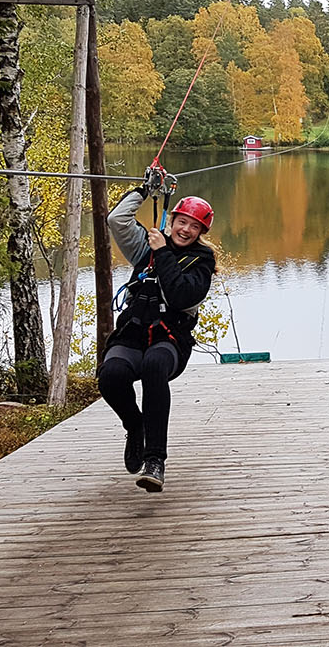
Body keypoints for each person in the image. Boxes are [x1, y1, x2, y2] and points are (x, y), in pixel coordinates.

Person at [98, 185, 217, 491]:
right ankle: (134, 425)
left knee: (153, 366)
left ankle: (155, 460)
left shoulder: (202, 261)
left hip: (170, 339)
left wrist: (163, 252)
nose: (186, 230)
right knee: (110, 376)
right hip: (133, 334)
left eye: (194, 226)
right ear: (172, 220)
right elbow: (117, 220)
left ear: (201, 232)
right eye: (182, 222)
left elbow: (181, 296)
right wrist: (144, 190)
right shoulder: (146, 248)